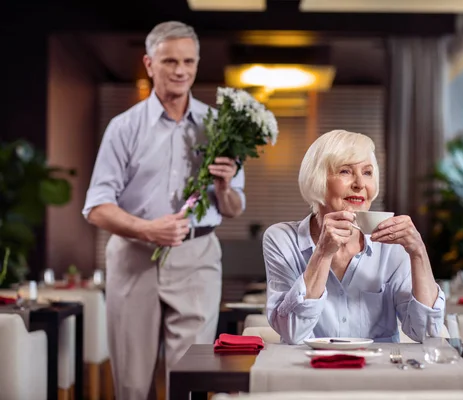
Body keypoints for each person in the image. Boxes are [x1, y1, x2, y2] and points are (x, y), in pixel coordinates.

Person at [82, 21, 245, 400]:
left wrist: (224, 186)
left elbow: (234, 207)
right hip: (133, 257)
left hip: (198, 258)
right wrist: (145, 230)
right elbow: (96, 207)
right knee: (133, 383)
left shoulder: (219, 127)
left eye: (189, 61)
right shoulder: (123, 128)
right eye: (169, 60)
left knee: (189, 380)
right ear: (149, 64)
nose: (180, 70)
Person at [262, 129, 444, 344]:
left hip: (377, 372)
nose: (360, 184)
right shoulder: (281, 238)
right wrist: (322, 253)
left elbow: (426, 333)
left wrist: (418, 253)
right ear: (317, 178)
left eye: (367, 173)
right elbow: (292, 332)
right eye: (346, 171)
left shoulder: (393, 243)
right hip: (310, 370)